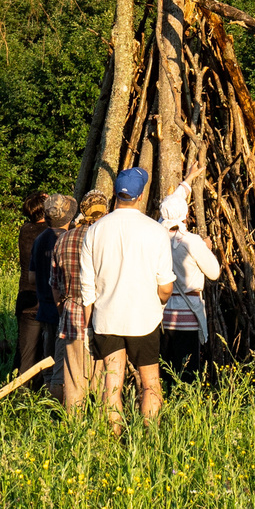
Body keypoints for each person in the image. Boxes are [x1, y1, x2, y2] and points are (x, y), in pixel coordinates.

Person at [81, 168, 175, 431]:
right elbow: (166, 286)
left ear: (115, 193)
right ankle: (149, 438)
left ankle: (112, 440)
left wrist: (89, 327)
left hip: (107, 319)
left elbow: (87, 288)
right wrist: (159, 304)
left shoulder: (95, 231)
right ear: (141, 195)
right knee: (150, 383)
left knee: (112, 384)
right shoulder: (155, 231)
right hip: (144, 319)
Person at [158, 186, 223, 380]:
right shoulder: (192, 241)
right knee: (188, 370)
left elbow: (170, 208)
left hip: (162, 313)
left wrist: (186, 183)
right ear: (185, 215)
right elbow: (214, 273)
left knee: (166, 369)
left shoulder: (155, 237)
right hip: (188, 314)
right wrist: (206, 248)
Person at [47, 193, 104, 413]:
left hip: (71, 314)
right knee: (101, 378)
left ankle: (73, 423)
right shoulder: (105, 238)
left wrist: (63, 308)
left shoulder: (64, 239)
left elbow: (55, 283)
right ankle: (101, 423)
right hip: (101, 315)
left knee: (72, 378)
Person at [28, 194, 74, 396]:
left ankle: (48, 401)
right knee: (63, 364)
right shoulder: (67, 240)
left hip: (45, 309)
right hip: (64, 310)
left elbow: (31, 277)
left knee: (49, 362)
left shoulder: (39, 240)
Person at [15, 196, 56, 377]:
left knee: (26, 356)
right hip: (47, 298)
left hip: (26, 298)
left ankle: (22, 389)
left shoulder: (25, 230)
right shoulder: (51, 233)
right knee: (50, 352)